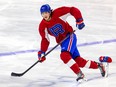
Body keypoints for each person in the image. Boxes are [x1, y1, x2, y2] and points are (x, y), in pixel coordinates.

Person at [38, 4, 112, 82]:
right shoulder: (42, 26)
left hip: (69, 37)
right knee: (79, 61)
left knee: (64, 55)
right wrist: (42, 52)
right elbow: (45, 40)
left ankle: (80, 74)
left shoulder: (58, 13)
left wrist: (79, 20)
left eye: (46, 12)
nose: (44, 15)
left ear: (50, 11)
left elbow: (73, 10)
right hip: (62, 43)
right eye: (42, 13)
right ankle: (99, 65)